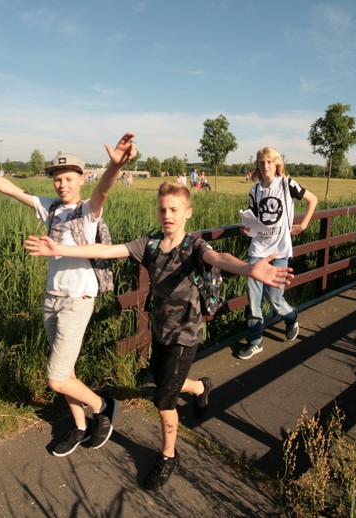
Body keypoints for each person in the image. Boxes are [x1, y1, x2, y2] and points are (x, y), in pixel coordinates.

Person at [24, 182, 292, 490]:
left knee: (164, 400)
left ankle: (168, 455)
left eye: (174, 209)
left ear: (188, 213)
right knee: (165, 380)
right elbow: (106, 250)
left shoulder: (193, 247)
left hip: (185, 334)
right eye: (163, 209)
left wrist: (249, 269)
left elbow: (219, 258)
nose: (168, 215)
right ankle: (200, 387)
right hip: (160, 330)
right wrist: (59, 249)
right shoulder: (149, 246)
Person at [0, 132, 137, 457]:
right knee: (66, 372)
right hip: (51, 298)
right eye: (57, 179)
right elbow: (8, 188)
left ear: (81, 179)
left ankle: (103, 406)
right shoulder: (51, 209)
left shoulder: (88, 211)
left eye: (68, 179)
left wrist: (114, 167)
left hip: (77, 300)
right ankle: (80, 426)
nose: (62, 185)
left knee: (56, 379)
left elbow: (104, 190)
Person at [238, 146, 318, 359]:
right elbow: (255, 220)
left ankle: (291, 317)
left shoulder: (286, 184)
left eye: (269, 162)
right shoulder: (254, 191)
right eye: (262, 162)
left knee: (274, 298)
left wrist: (303, 225)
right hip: (258, 249)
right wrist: (246, 228)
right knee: (254, 298)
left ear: (276, 164)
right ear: (257, 165)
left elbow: (313, 200)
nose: (265, 166)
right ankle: (255, 340)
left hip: (280, 250)